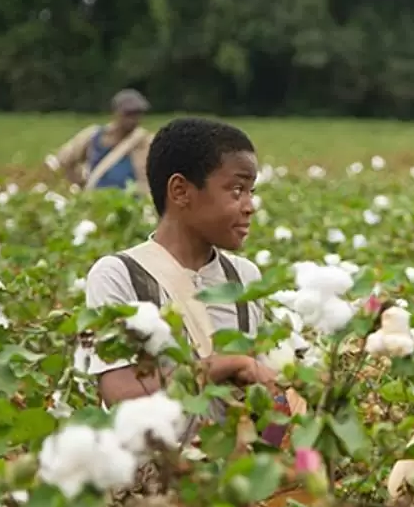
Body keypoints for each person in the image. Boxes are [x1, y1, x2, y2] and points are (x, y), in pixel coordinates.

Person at [83, 117, 286, 411]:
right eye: (237, 189)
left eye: (251, 192)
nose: (249, 206)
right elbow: (121, 394)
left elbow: (268, 399)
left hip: (238, 458)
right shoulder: (118, 275)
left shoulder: (245, 277)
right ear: (180, 191)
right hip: (157, 458)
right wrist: (229, 364)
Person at [54, 89, 154, 194]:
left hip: (132, 203)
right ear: (115, 113)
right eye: (128, 114)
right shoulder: (93, 136)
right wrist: (77, 182)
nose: (133, 119)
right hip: (95, 202)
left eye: (137, 114)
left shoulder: (146, 141)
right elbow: (63, 160)